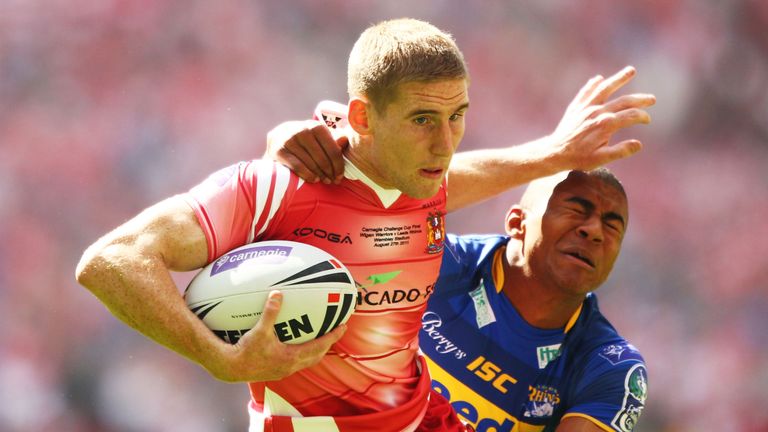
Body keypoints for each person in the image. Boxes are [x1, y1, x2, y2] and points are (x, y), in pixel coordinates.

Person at [76, 18, 654, 432]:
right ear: (361, 117)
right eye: (423, 119)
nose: (445, 143)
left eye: (457, 118)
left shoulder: (425, 186)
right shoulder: (275, 189)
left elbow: (467, 172)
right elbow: (111, 261)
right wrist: (217, 357)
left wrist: (554, 153)